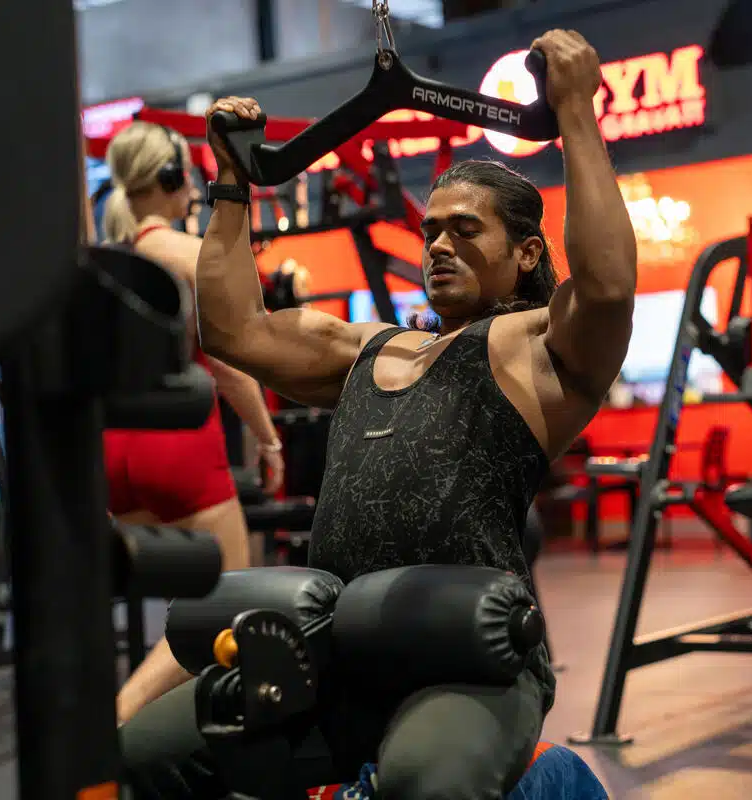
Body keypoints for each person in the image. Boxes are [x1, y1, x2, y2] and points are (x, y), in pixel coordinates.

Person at [120, 29, 637, 799]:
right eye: (431, 231)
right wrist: (232, 182)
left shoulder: (541, 351)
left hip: (466, 663)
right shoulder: (367, 347)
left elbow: (605, 289)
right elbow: (234, 330)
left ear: (526, 254)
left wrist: (575, 112)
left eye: (466, 230)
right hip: (330, 653)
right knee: (144, 753)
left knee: (423, 782)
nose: (438, 245)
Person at [97, 121, 286, 726]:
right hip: (180, 448)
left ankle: (172, 731)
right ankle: (121, 712)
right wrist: (267, 436)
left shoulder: (102, 262)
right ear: (174, 179)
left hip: (112, 457)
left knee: (167, 602)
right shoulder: (185, 255)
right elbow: (231, 367)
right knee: (227, 603)